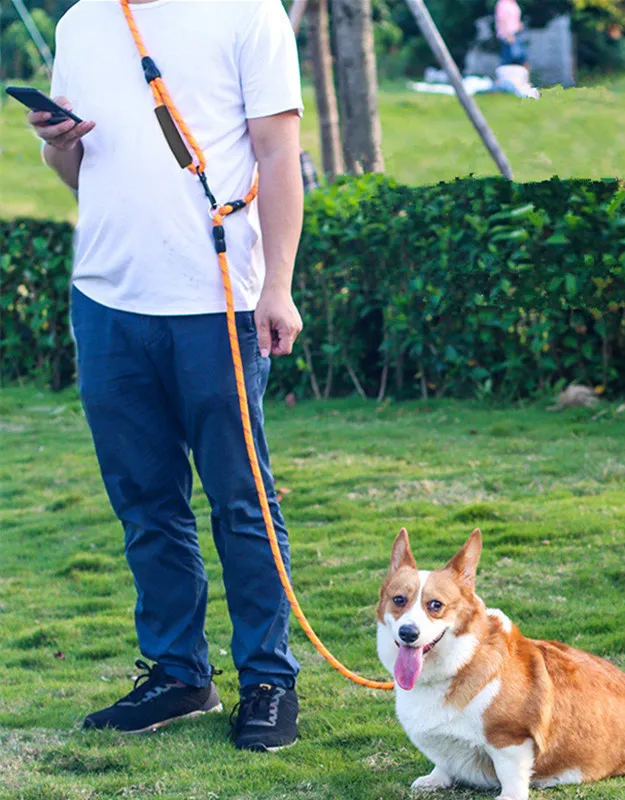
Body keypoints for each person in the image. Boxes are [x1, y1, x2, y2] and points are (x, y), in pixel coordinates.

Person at [31, 0, 304, 752]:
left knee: (241, 502)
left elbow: (279, 155)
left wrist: (277, 287)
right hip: (106, 300)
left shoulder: (249, 14)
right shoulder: (79, 23)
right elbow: (80, 174)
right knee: (146, 505)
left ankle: (269, 682)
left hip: (217, 303)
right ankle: (179, 675)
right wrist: (57, 145)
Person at [495, 0, 525, 67]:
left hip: (516, 33)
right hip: (507, 34)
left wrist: (518, 24)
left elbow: (514, 17)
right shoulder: (502, 3)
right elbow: (502, 20)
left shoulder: (513, 3)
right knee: (510, 57)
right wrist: (508, 34)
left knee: (519, 56)